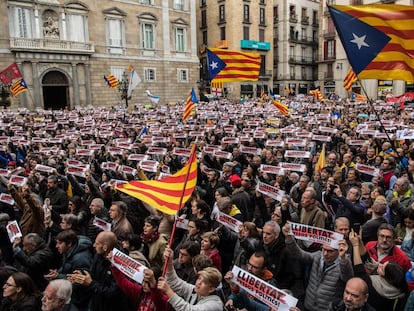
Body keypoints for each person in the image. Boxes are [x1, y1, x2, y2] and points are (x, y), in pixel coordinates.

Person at [282, 223, 353, 311]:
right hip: (308, 306)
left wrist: (343, 258)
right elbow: (299, 254)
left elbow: (348, 277)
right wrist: (289, 238)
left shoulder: (344, 264)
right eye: (324, 249)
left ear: (339, 251)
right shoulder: (318, 256)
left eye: (330, 251)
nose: (325, 254)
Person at [67, 231, 130, 311]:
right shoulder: (99, 255)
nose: (94, 245)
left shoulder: (120, 265)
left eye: (97, 243)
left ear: (105, 247)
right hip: (96, 302)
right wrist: (81, 277)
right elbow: (93, 274)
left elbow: (112, 293)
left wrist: (91, 284)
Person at [350, 230, 408, 310]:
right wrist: (360, 242)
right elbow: (367, 260)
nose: (379, 265)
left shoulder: (375, 286)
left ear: (385, 277)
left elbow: (359, 270)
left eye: (382, 267)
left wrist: (355, 246)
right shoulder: (398, 289)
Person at [157, 247, 223, 311]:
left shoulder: (215, 305)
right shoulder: (195, 291)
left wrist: (168, 291)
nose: (199, 282)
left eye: (204, 282)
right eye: (199, 278)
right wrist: (169, 262)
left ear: (211, 289)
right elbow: (174, 282)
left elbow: (189, 309)